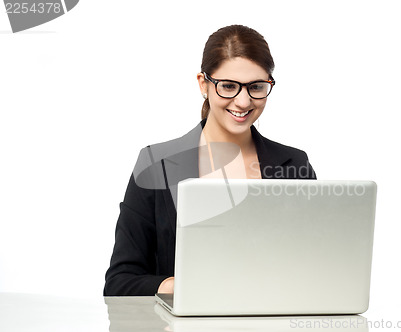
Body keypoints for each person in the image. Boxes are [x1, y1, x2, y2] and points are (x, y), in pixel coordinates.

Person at [104, 25, 316, 296]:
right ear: (204, 84)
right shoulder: (156, 164)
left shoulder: (294, 165)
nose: (243, 101)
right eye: (228, 86)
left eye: (256, 87)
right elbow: (120, 283)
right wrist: (183, 287)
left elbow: (313, 266)